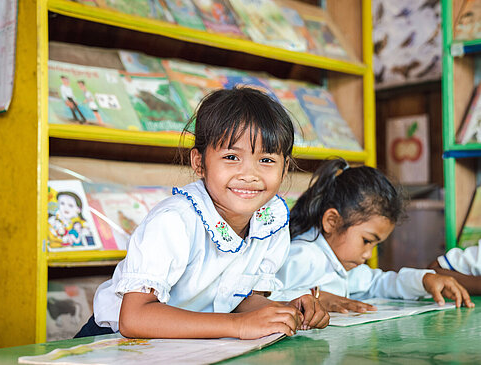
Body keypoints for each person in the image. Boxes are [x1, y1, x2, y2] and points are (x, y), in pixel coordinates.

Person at [75, 87, 329, 339]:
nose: (250, 175)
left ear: (285, 170)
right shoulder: (174, 221)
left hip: (183, 346)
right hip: (112, 341)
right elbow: (134, 319)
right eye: (231, 157)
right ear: (199, 163)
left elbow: (242, 300)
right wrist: (239, 325)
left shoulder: (270, 222)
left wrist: (284, 312)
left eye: (266, 160)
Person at [270, 158, 474, 313]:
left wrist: (424, 280)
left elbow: (378, 283)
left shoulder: (342, 264)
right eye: (366, 241)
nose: (368, 254)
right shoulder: (302, 256)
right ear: (332, 221)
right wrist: (317, 297)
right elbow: (260, 297)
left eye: (375, 245)